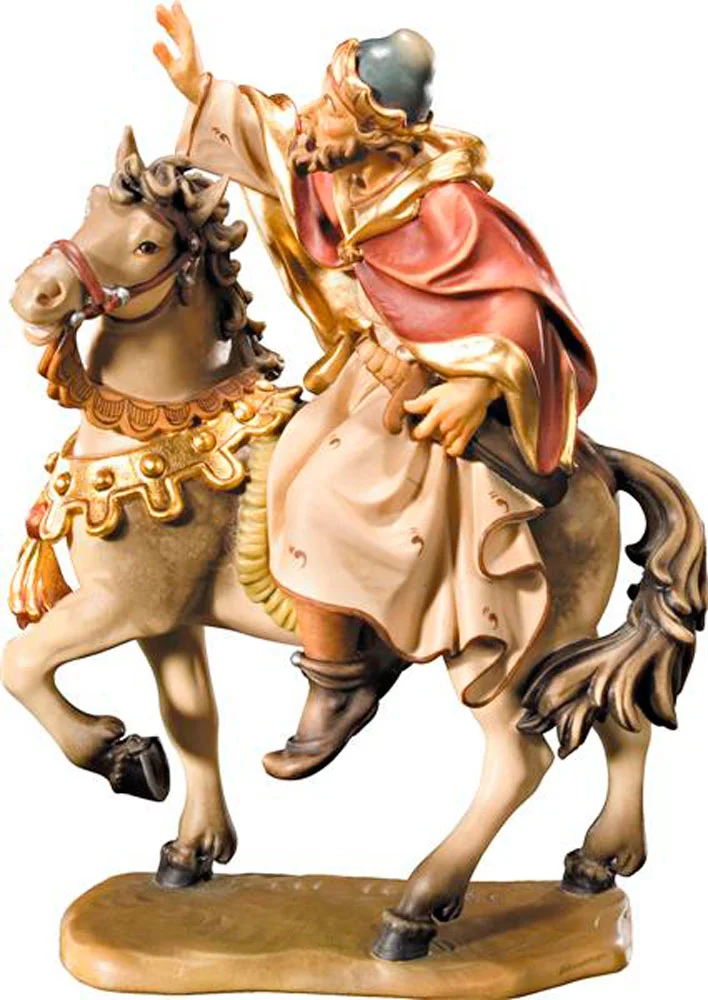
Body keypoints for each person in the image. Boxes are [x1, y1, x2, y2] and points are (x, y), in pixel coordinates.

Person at [154, 3, 596, 780]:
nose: (312, 117)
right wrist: (201, 87)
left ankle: (340, 682)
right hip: (363, 370)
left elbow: (521, 307)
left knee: (324, 497)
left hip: (422, 394)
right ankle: (352, 636)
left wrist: (471, 388)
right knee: (284, 465)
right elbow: (272, 131)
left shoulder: (447, 206)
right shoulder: (333, 164)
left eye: (332, 108)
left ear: (378, 129)